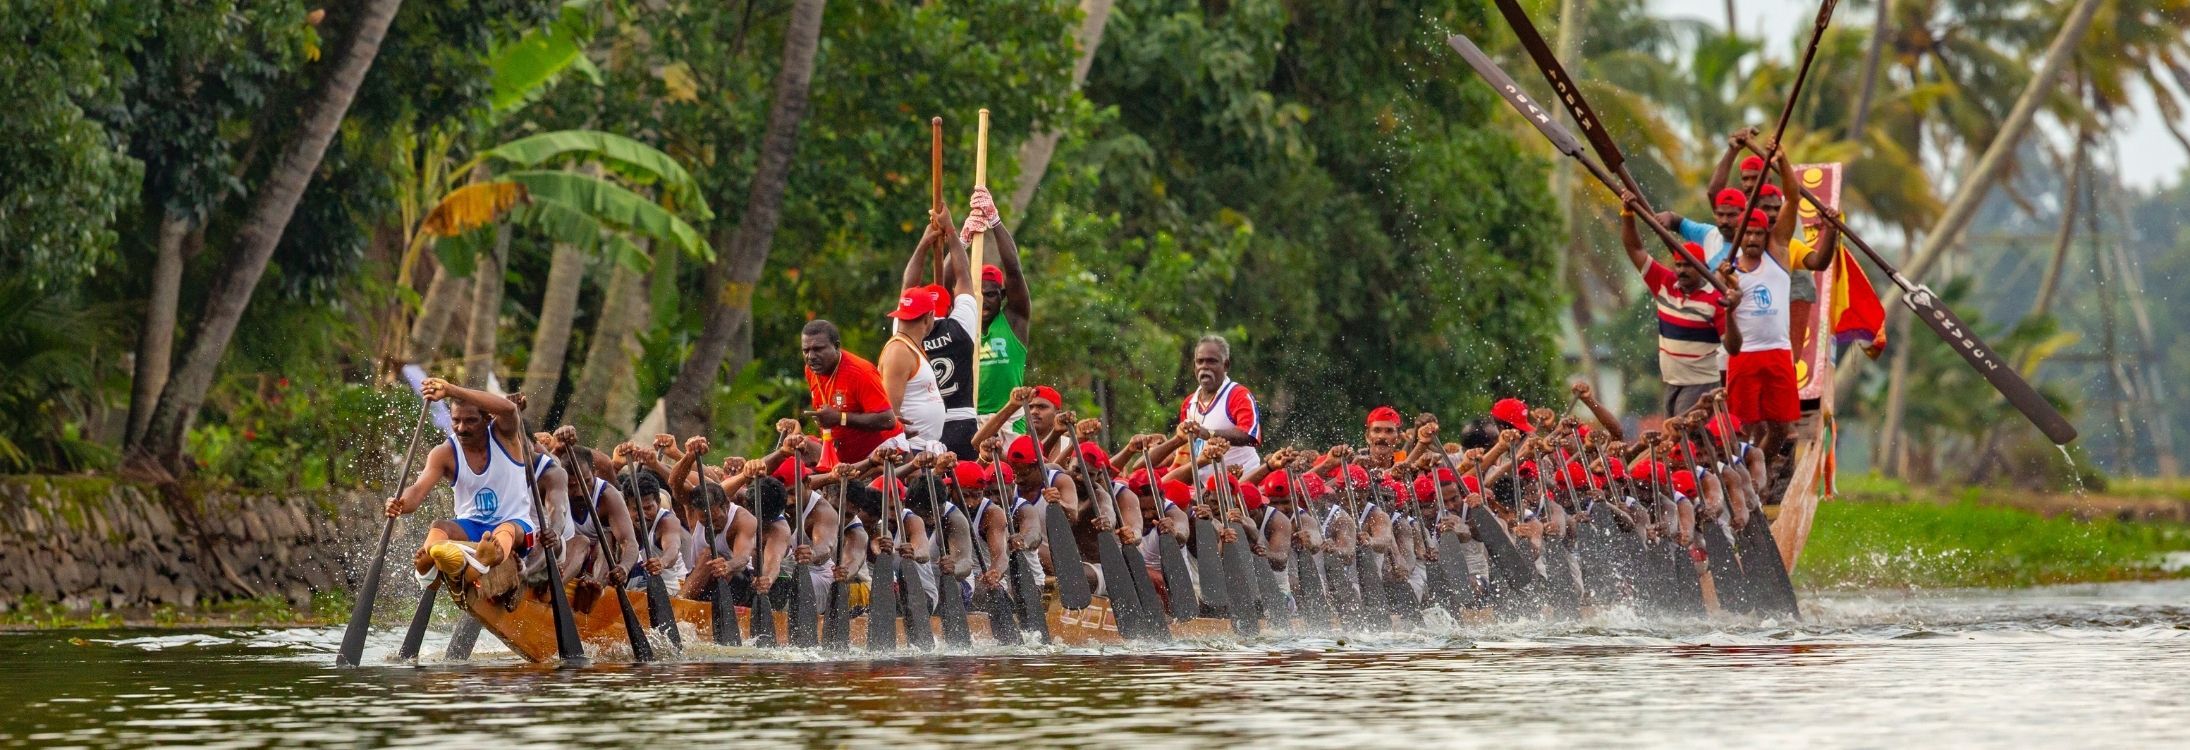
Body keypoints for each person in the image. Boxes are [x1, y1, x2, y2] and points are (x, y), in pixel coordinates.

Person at [385, 377, 537, 603]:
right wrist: (400, 503)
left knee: (505, 529)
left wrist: (450, 390)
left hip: (514, 525)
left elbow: (508, 409)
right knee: (439, 526)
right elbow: (417, 491)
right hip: (471, 527)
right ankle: (429, 571)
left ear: (488, 418)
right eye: (455, 421)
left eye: (470, 421)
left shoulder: (505, 436)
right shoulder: (444, 453)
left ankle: (489, 557)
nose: (461, 428)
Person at [1621, 201, 1736, 416]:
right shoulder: (1664, 283)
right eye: (1679, 265)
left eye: (1688, 266)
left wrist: (1731, 312)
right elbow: (1634, 248)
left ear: (1702, 269)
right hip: (1672, 383)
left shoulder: (1715, 300)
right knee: (1673, 434)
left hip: (1701, 386)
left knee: (1681, 434)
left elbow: (1733, 346)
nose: (1682, 271)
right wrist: (1627, 214)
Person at [905, 204, 983, 456]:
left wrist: (924, 243)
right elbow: (964, 278)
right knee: (966, 478)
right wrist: (951, 230)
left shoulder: (907, 332)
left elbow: (908, 286)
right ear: (950, 306)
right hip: (962, 424)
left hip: (922, 427)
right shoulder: (960, 326)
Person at [967, 188, 1033, 431]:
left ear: (1002, 296)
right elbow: (941, 285)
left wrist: (994, 219)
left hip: (1009, 422)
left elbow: (1013, 269)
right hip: (971, 421)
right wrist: (962, 239)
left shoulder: (1014, 320)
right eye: (979, 295)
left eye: (991, 295)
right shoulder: (963, 325)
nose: (984, 301)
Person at [801, 319, 904, 463]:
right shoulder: (811, 370)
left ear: (836, 346)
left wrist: (840, 418)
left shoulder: (860, 372)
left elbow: (888, 420)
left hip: (884, 452)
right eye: (806, 350)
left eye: (818, 349)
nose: (811, 357)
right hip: (849, 459)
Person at [1178, 334, 1263, 476]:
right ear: (1194, 366)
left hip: (1243, 480)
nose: (1204, 366)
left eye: (1212, 361)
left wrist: (1209, 433)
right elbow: (1183, 447)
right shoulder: (1188, 404)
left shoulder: (1238, 395)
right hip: (1205, 485)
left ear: (1226, 365)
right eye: (1200, 361)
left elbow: (1249, 435)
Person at [881, 287, 948, 449]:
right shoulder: (899, 351)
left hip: (923, 448)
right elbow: (889, 410)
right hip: (911, 449)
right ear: (929, 317)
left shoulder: (911, 347)